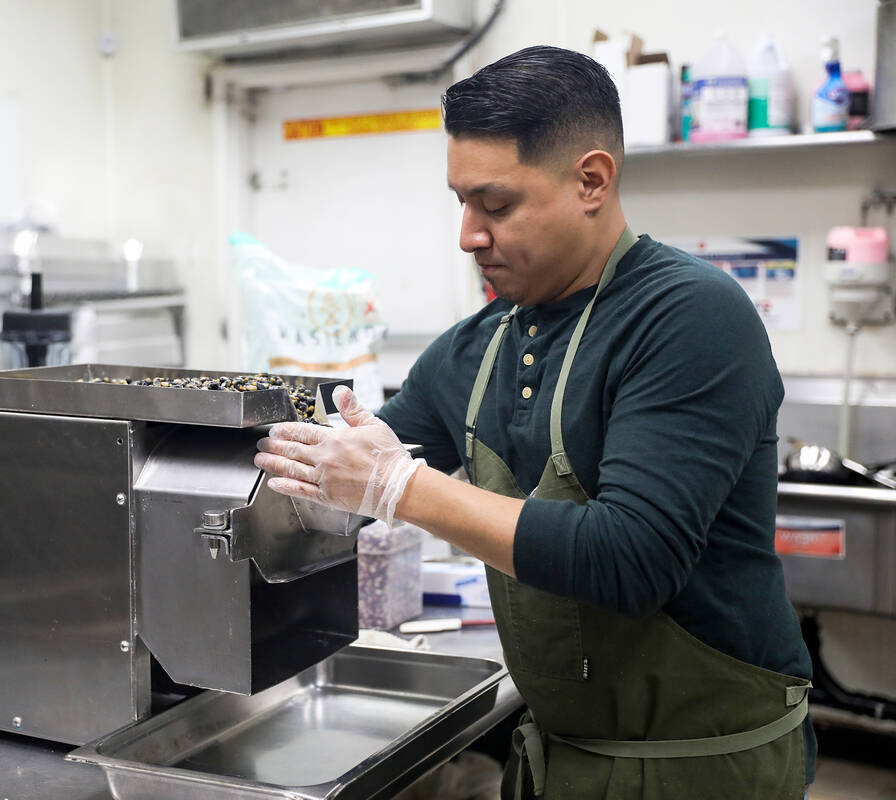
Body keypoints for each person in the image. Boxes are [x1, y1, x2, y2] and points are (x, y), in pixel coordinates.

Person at [254, 45, 815, 799]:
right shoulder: (476, 348)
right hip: (559, 758)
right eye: (461, 203)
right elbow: (358, 465)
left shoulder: (689, 317)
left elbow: (631, 558)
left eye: (496, 205)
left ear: (592, 181)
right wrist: (315, 473)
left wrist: (399, 486)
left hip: (701, 765)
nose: (468, 235)